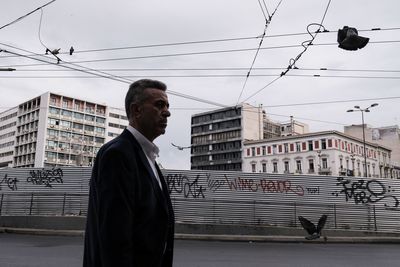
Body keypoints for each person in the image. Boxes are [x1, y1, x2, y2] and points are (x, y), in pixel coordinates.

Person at [83, 79, 174, 267]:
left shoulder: (146, 156)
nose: (167, 112)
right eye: (159, 105)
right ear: (136, 110)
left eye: (167, 105)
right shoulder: (118, 154)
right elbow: (114, 237)